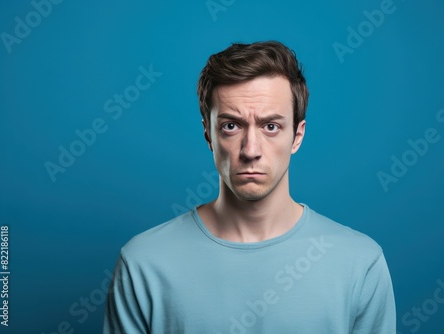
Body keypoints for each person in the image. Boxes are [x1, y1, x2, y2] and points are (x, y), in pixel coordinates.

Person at [103, 41, 396, 334]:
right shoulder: (143, 264)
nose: (251, 150)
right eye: (232, 126)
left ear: (297, 135)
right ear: (208, 133)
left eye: (271, 126)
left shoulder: (360, 263)